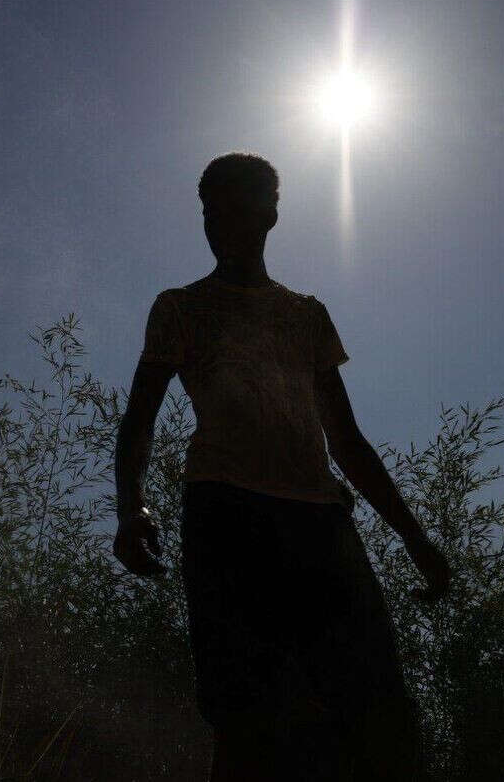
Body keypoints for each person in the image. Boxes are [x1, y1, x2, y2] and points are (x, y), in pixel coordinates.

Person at [112, 152, 451, 781]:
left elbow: (347, 442)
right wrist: (131, 507)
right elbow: (141, 417)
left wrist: (415, 538)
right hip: (226, 515)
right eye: (208, 212)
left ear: (269, 215)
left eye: (231, 207)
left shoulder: (306, 317)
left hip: (320, 521)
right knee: (247, 715)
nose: (216, 223)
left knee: (376, 711)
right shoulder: (180, 307)